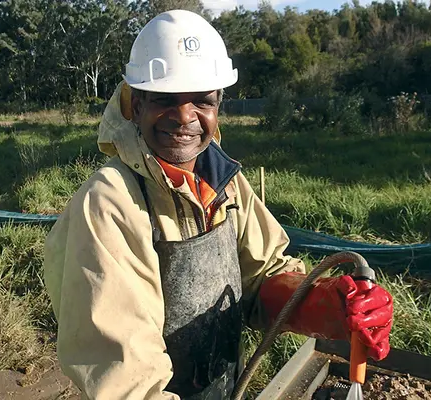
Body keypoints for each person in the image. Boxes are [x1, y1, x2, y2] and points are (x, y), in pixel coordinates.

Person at [43, 9, 393, 400]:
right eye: (165, 100)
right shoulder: (110, 201)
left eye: (201, 101)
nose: (184, 117)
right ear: (136, 105)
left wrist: (325, 304)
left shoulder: (222, 181)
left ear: (218, 105)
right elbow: (127, 378)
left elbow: (260, 279)